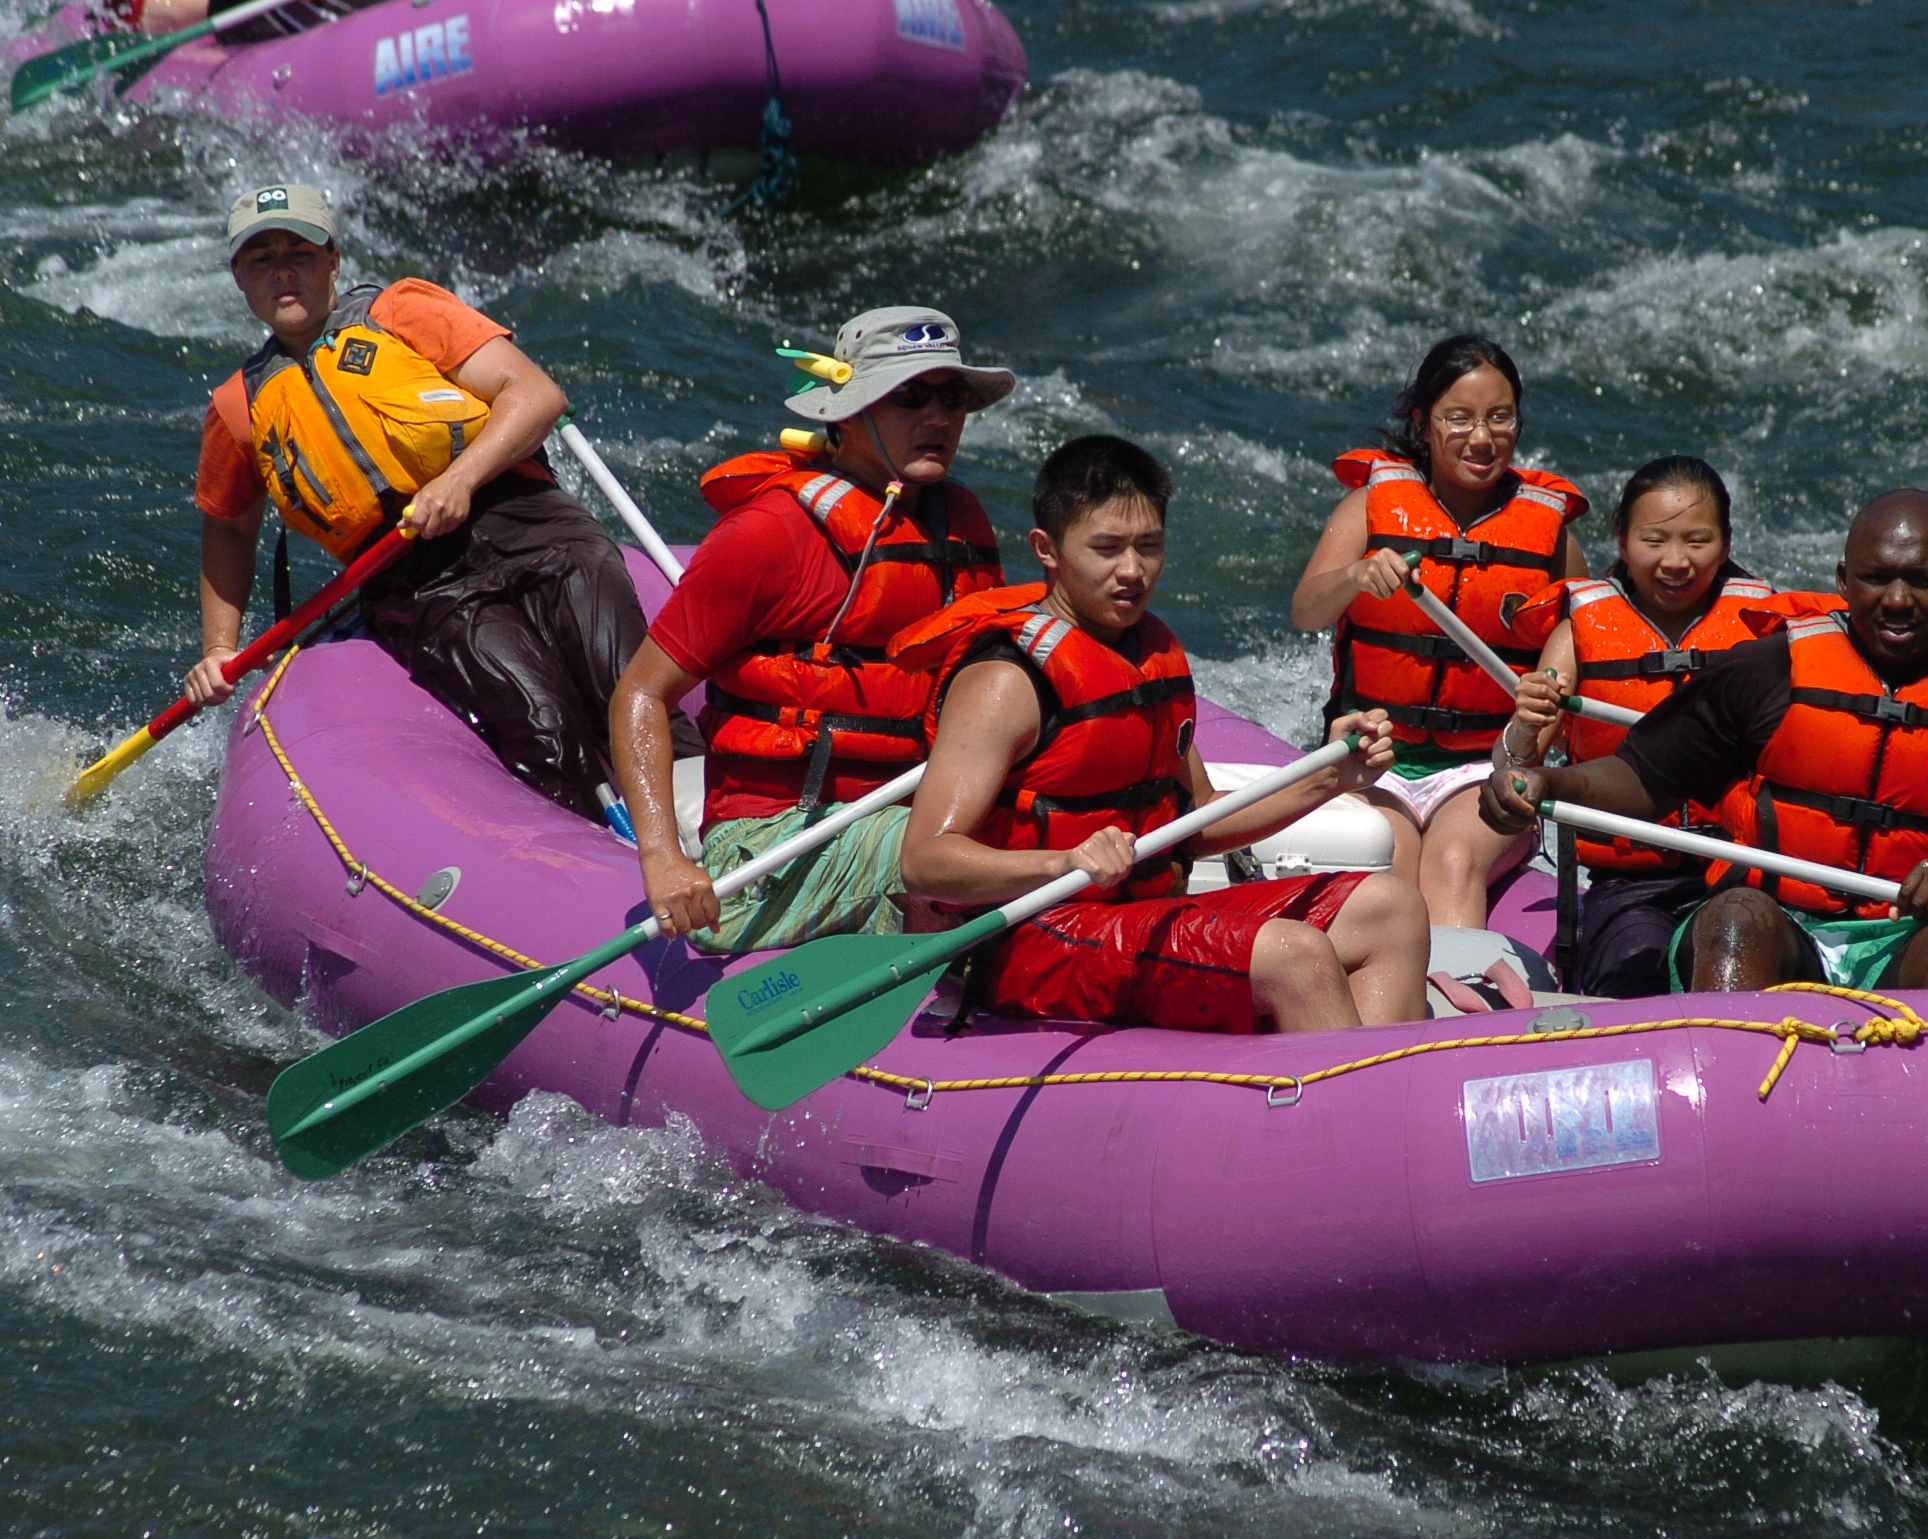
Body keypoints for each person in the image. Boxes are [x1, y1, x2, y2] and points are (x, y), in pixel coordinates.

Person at [898, 435, 1429, 1034]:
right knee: (1293, 955)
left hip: (1136, 917)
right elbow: (925, 861)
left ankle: (1377, 1080)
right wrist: (1062, 861)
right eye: (1106, 548)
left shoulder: (1146, 658)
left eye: (1149, 547)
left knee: (1393, 909)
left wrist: (1330, 779)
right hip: (1033, 939)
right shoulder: (1005, 682)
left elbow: (1196, 823)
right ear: (1047, 550)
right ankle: (1345, 1088)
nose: (1132, 570)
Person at [185, 182, 681, 819]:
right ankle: (597, 842)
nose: (283, 272)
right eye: (262, 259)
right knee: (543, 731)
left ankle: (711, 825)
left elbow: (535, 395)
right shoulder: (238, 408)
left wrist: (459, 480)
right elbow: (229, 529)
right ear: (238, 278)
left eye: (299, 253)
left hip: (528, 523)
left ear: (333, 259)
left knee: (627, 686)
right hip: (415, 580)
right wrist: (218, 650)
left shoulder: (404, 310)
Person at [1480, 490, 1928, 998]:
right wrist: (1547, 782)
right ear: (1843, 580)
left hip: (1908, 942)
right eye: (1877, 578)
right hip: (1779, 929)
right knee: (1736, 917)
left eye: (1922, 581)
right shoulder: (1768, 672)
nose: (1898, 600)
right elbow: (1644, 777)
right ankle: (1731, 1083)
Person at [609, 306, 1012, 950]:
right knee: (953, 856)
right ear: (849, 413)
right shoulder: (769, 535)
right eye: (911, 396)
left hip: (916, 807)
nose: (939, 417)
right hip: (775, 841)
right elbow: (641, 692)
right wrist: (662, 857)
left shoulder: (960, 525)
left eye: (952, 397)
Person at [1289, 334, 1586, 930]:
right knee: (1389, 859)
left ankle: (1460, 988)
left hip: (1483, 766)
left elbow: (1578, 643)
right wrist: (1354, 576)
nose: (1481, 438)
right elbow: (1306, 611)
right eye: (1459, 418)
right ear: (1423, 423)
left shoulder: (1550, 535)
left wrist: (1532, 730)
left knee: (1452, 863)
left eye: (1500, 418)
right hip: (1375, 755)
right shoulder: (1368, 507)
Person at [1497, 457, 1773, 997]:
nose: (1676, 562)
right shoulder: (1579, 631)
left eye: (1697, 541)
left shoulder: (1765, 630)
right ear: (1622, 540)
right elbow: (1512, 767)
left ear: (1725, 543)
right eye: (1654, 540)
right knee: (1635, 969)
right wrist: (1526, 728)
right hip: (1629, 883)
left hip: (1744, 871)